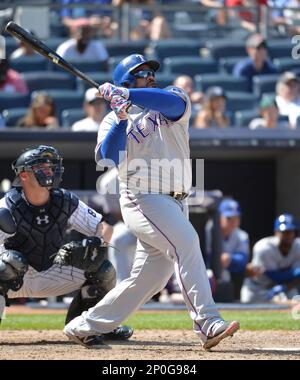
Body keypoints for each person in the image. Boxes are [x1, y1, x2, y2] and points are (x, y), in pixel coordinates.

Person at [63, 54, 240, 350]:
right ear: (125, 79)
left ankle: (84, 325)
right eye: (142, 73)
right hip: (142, 196)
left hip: (176, 200)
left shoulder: (171, 97)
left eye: (151, 72)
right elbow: (109, 156)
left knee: (151, 278)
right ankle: (208, 322)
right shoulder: (111, 119)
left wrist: (129, 94)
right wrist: (121, 117)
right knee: (187, 242)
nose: (151, 76)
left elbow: (173, 105)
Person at [0, 145, 133, 345]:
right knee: (9, 263)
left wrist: (97, 243)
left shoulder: (64, 200)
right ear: (25, 176)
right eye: (41, 168)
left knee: (103, 271)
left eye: (50, 167)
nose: (49, 172)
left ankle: (89, 327)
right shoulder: (7, 206)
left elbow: (104, 228)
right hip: (15, 277)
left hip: (52, 271)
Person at [241, 213, 300, 303]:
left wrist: (287, 285)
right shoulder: (264, 247)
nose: (287, 236)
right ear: (276, 232)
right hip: (257, 288)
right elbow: (276, 277)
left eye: (290, 232)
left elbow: (294, 278)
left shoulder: (298, 246)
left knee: (296, 299)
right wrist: (297, 272)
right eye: (283, 232)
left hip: (285, 287)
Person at [206, 198, 250, 301]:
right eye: (229, 218)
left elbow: (243, 260)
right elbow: (204, 256)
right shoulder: (208, 229)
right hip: (206, 273)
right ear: (219, 217)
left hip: (226, 275)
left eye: (236, 218)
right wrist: (216, 258)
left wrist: (230, 258)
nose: (233, 221)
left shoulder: (241, 235)